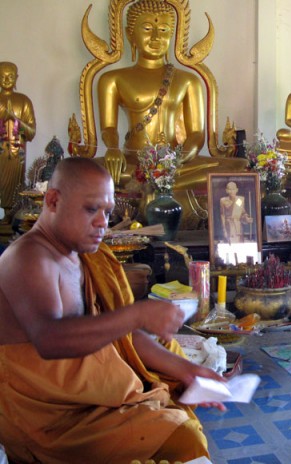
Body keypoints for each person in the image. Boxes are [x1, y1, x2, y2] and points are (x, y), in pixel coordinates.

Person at [0, 157, 227, 463]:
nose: (102, 223)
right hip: (54, 422)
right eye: (91, 209)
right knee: (181, 437)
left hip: (96, 399)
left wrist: (188, 371)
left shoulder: (86, 257)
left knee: (176, 407)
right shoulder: (29, 257)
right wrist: (137, 314)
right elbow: (49, 339)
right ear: (52, 201)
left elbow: (122, 337)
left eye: (107, 212)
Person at [96, 0, 246, 190]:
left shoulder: (189, 80)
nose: (156, 37)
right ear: (129, 34)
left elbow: (196, 134)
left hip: (178, 163)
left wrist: (175, 161)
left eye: (164, 30)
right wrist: (113, 149)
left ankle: (155, 184)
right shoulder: (112, 79)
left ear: (173, 34)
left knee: (240, 167)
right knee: (89, 171)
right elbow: (108, 128)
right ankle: (162, 184)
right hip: (133, 162)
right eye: (147, 28)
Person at [0, 61, 36, 220]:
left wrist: (14, 119)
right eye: (2, 76)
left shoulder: (23, 101)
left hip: (17, 153)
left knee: (15, 186)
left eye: (11, 76)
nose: (7, 80)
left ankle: (11, 214)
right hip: (1, 150)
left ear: (16, 78)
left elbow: (31, 133)